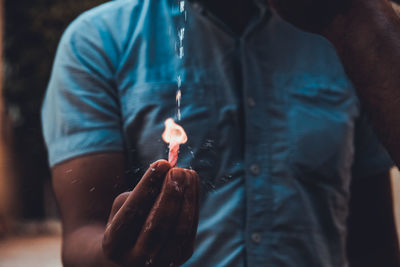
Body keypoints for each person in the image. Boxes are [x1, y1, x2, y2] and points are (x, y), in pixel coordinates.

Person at [41, 0, 400, 266]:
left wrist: (360, 22)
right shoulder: (98, 42)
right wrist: (123, 254)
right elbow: (81, 234)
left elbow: (375, 241)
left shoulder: (343, 32)